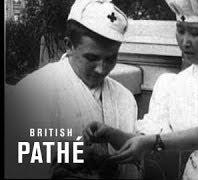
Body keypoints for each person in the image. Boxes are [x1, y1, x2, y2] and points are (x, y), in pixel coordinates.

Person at [83, 0, 198, 179]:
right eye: (180, 31)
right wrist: (110, 133)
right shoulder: (172, 84)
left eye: (195, 33)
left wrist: (152, 142)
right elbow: (145, 138)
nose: (185, 41)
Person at [5, 0, 139, 179]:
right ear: (68, 46)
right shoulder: (34, 91)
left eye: (110, 58)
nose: (102, 68)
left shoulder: (125, 98)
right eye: (92, 58)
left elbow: (133, 168)